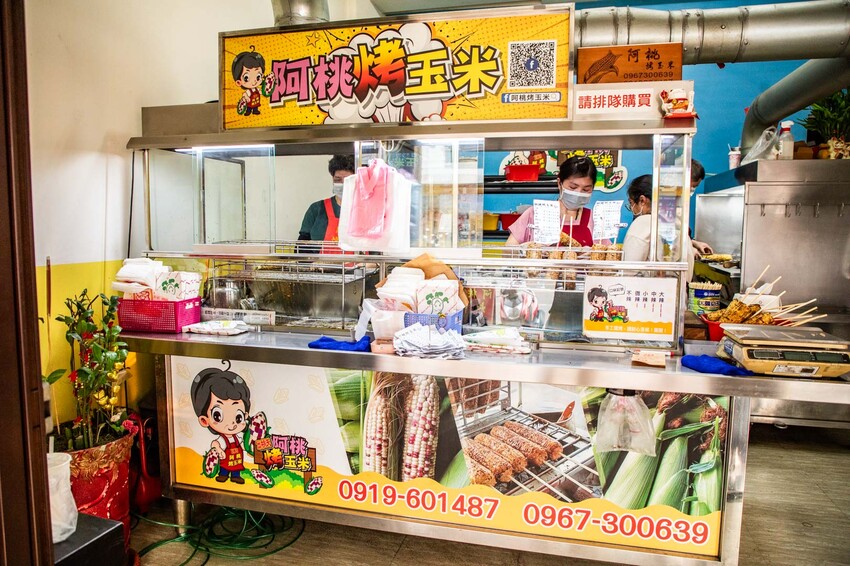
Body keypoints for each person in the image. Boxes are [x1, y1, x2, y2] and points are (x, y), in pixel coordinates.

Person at [506, 156, 598, 247]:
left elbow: (605, 251)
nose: (578, 193)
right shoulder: (535, 213)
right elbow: (508, 249)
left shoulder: (594, 219)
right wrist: (525, 248)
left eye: (586, 189)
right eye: (573, 187)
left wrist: (589, 253)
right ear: (559, 183)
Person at [622, 174, 695, 280]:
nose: (632, 209)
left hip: (648, 289)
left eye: (631, 203)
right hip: (679, 288)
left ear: (642, 200)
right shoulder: (678, 224)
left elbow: (628, 271)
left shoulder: (642, 222)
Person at [191, 363, 252, 484]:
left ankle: (235, 476)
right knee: (224, 468)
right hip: (226, 461)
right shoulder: (222, 439)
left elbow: (243, 444)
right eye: (218, 416)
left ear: (245, 416)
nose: (231, 424)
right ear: (204, 420)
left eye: (238, 417)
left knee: (236, 469)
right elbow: (215, 443)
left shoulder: (238, 437)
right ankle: (223, 474)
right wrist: (219, 450)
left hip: (236, 461)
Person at [298, 154, 355, 242]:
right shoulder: (316, 209)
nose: (343, 184)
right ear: (332, 178)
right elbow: (302, 244)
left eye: (348, 180)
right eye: (338, 179)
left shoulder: (365, 209)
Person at [689, 159, 714, 256]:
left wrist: (695, 243)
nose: (692, 189)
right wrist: (689, 249)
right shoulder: (668, 202)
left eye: (695, 187)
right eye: (693, 186)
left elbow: (679, 236)